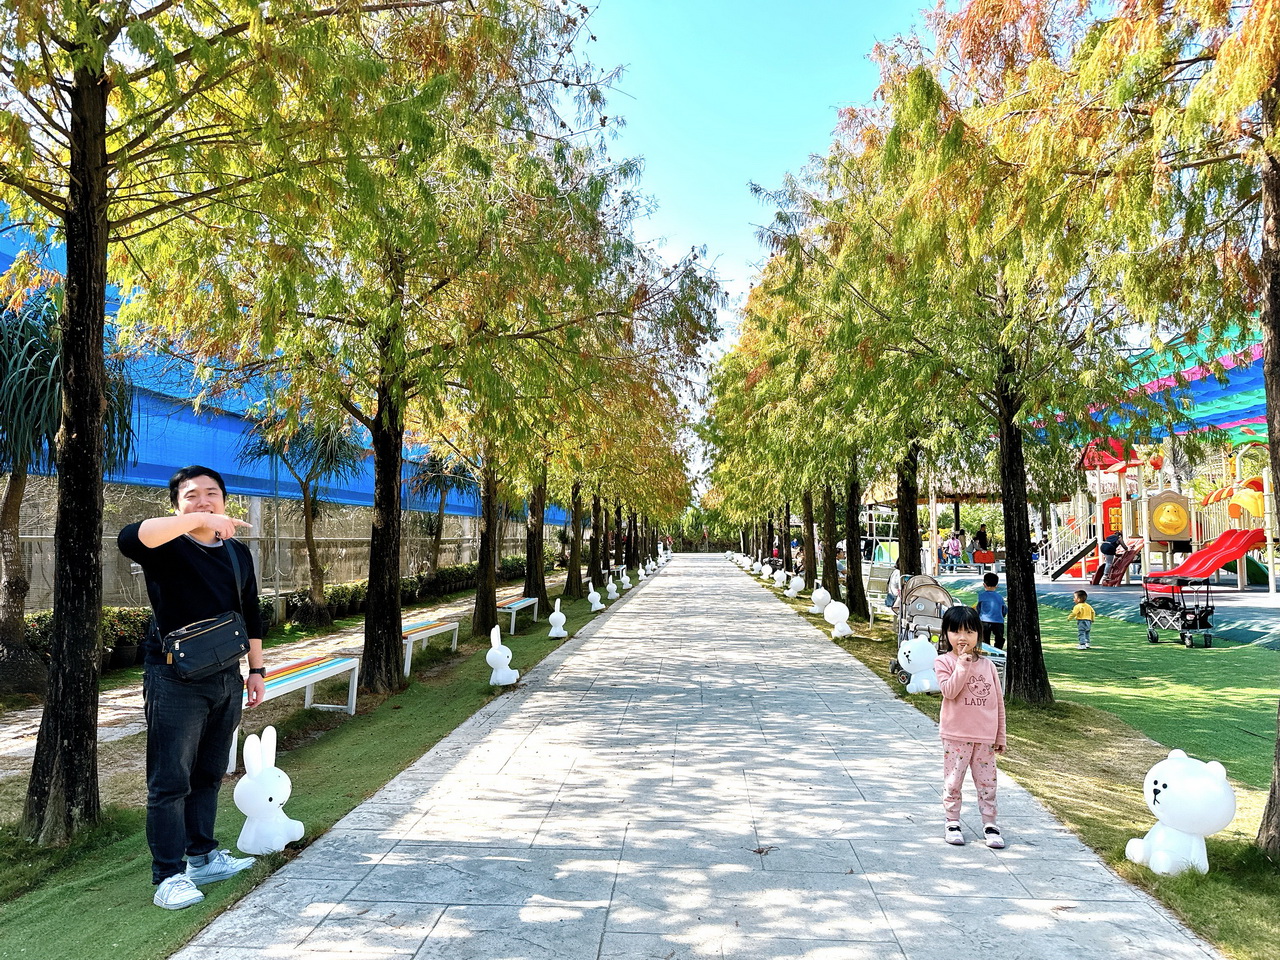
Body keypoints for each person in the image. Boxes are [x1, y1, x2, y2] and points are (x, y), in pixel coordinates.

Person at [118, 465, 267, 910]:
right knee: (169, 781)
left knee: (208, 773)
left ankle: (203, 856)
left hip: (225, 675)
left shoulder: (238, 553)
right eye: (191, 495)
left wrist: (255, 671)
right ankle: (168, 875)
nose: (203, 501)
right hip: (174, 680)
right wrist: (196, 522)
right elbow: (130, 536)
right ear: (176, 505)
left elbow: (252, 613)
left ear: (226, 499)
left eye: (212, 494)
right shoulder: (165, 546)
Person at [934, 605, 1008, 849]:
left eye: (969, 631)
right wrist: (962, 665)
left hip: (984, 737)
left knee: (988, 783)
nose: (962, 637)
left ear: (979, 633)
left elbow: (997, 701)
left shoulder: (987, 665)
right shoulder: (944, 662)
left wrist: (1000, 735)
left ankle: (990, 823)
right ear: (946, 634)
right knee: (953, 781)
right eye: (955, 632)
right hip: (956, 735)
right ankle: (952, 822)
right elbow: (949, 691)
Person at [974, 572, 1007, 650]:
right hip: (998, 621)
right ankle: (997, 650)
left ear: (984, 585)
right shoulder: (999, 597)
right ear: (997, 586)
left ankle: (986, 651)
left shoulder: (981, 596)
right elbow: (1004, 609)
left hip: (984, 620)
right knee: (999, 638)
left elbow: (978, 608)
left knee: (985, 639)